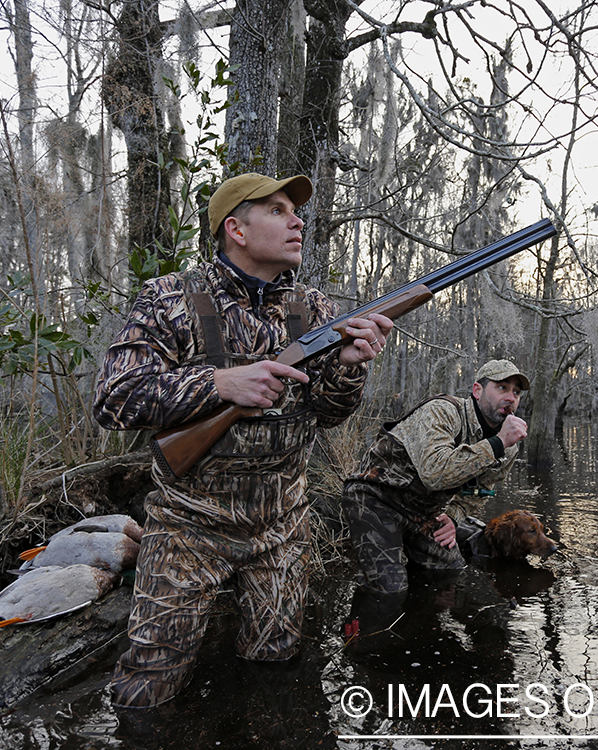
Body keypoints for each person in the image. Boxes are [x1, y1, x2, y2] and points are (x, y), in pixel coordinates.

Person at [93, 172, 393, 708]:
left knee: (275, 669)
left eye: (294, 211)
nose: (297, 220)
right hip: (187, 528)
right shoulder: (169, 299)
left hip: (281, 526)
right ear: (235, 228)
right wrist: (219, 383)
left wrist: (349, 367)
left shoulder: (315, 310)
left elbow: (327, 414)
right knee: (145, 691)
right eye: (277, 210)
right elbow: (114, 399)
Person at [341, 359, 529, 597]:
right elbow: (435, 473)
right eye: (502, 387)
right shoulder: (444, 411)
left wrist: (453, 517)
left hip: (424, 513)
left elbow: (482, 489)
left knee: (451, 572)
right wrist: (498, 443)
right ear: (477, 390)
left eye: (517, 392)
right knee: (390, 590)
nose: (511, 398)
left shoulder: (509, 447)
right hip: (376, 500)